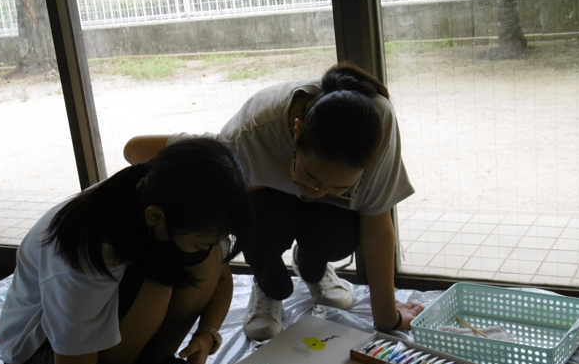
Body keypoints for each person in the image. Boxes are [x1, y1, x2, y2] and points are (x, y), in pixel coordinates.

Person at [124, 62, 424, 341]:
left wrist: (388, 319)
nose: (317, 192)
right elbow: (134, 151)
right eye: (312, 178)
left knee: (339, 235)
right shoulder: (248, 136)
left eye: (339, 187)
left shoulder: (376, 128)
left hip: (324, 218)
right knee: (255, 220)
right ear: (296, 134)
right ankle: (267, 286)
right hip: (268, 201)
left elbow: (377, 228)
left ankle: (312, 267)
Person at [0, 138, 254, 364]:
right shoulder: (85, 255)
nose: (214, 246)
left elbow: (221, 274)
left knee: (203, 260)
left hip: (93, 331)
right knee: (160, 279)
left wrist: (208, 334)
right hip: (42, 361)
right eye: (203, 240)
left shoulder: (173, 202)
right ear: (155, 217)